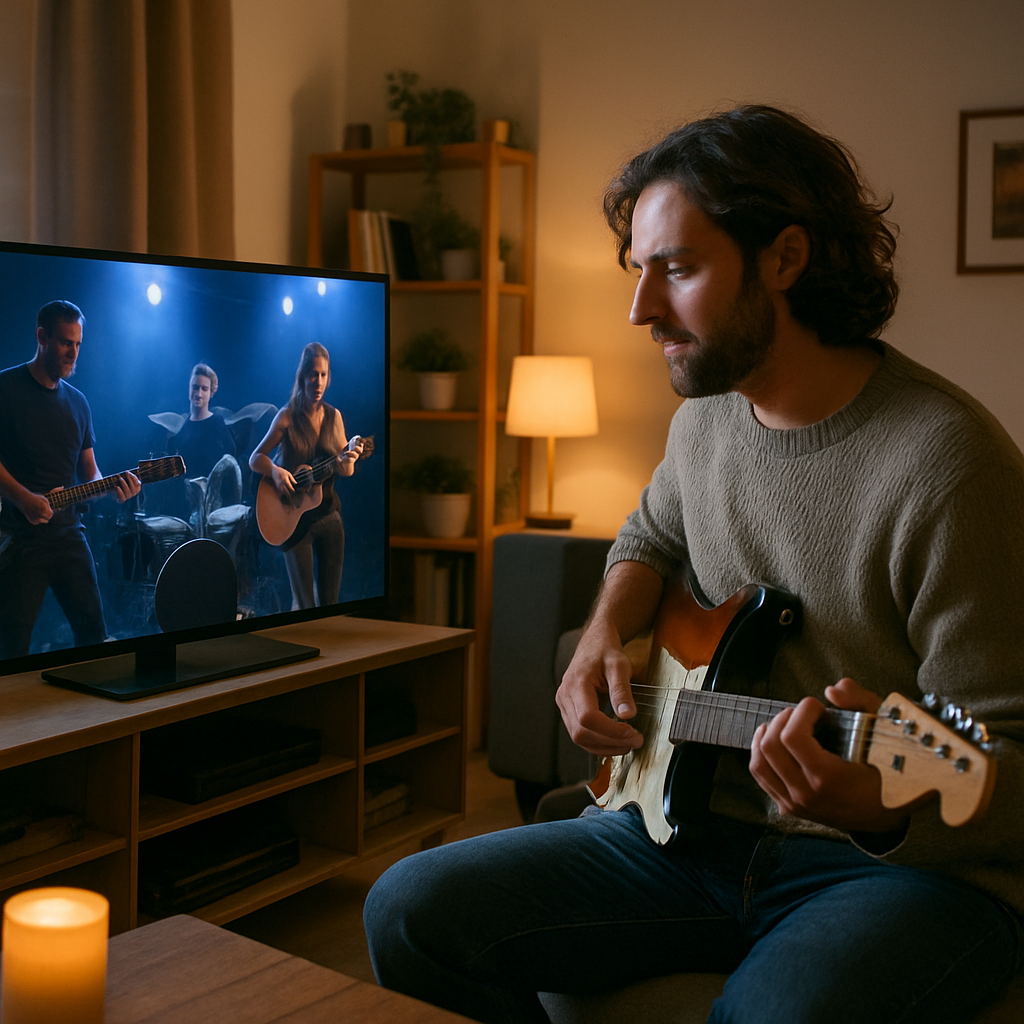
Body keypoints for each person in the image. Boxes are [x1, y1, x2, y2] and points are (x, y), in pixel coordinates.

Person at [362, 106, 1024, 1024]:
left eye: (676, 268)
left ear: (785, 258)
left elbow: (1008, 763)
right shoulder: (705, 421)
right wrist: (600, 636)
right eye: (639, 270)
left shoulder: (951, 465)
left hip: (900, 877)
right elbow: (646, 540)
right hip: (691, 834)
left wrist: (878, 806)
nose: (640, 308)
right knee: (407, 907)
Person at [0, 300, 141, 659]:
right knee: (12, 649)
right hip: (19, 538)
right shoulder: (7, 388)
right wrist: (23, 498)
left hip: (68, 536)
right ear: (42, 337)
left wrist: (112, 487)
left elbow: (89, 474)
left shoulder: (79, 403)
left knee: (94, 638)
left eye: (78, 344)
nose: (73, 352)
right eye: (66, 343)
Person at [249, 342, 363, 610]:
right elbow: (256, 458)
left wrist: (351, 457)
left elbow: (345, 469)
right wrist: (276, 472)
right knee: (305, 604)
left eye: (323, 375)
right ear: (302, 376)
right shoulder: (287, 417)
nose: (318, 381)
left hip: (328, 516)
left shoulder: (334, 418)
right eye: (313, 373)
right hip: (294, 520)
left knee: (329, 605)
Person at [167, 362, 236, 479]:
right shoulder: (182, 425)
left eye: (204, 389)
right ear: (189, 388)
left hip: (212, 492)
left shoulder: (218, 423)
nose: (199, 394)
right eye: (195, 387)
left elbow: (231, 459)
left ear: (211, 392)